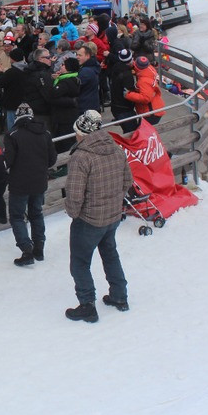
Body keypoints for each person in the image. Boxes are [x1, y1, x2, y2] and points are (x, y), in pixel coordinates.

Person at [63, 110, 132, 323]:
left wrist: (74, 214)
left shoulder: (81, 157)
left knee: (80, 262)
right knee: (110, 254)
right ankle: (119, 296)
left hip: (89, 220)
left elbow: (74, 194)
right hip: (112, 217)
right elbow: (127, 181)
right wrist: (114, 201)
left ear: (82, 133)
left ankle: (87, 305)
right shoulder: (116, 150)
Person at [5, 103, 57, 266]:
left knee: (17, 217)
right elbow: (52, 159)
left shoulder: (13, 135)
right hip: (39, 182)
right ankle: (39, 248)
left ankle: (26, 250)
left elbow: (9, 160)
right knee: (36, 213)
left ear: (17, 118)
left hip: (19, 183)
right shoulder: (45, 133)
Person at [124, 55, 165, 126]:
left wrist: (128, 95)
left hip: (151, 112)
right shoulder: (149, 69)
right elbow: (138, 67)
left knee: (144, 133)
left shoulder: (143, 81)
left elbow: (146, 98)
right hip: (155, 108)